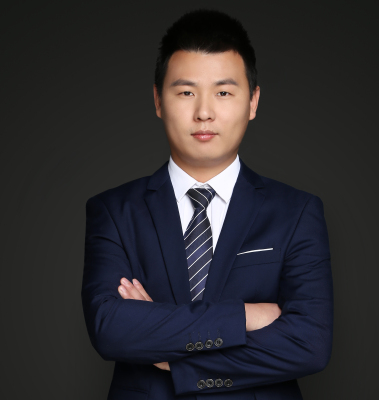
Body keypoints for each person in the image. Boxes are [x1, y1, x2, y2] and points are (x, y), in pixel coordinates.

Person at [82, 9, 333, 400]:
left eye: (223, 92)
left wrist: (174, 359)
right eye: (186, 92)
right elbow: (111, 329)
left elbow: (309, 343)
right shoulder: (114, 211)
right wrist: (245, 315)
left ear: (252, 102)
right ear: (158, 100)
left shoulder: (297, 213)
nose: (203, 112)